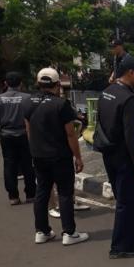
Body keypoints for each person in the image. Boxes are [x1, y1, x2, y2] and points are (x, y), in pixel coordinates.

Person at [22, 68, 88, 245]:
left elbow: (28, 129)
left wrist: (34, 149)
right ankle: (69, 232)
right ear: (58, 84)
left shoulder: (28, 103)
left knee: (42, 192)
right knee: (65, 193)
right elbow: (70, 134)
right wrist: (78, 157)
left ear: (38, 83)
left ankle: (42, 231)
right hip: (59, 156)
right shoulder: (61, 104)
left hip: (38, 156)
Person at [96, 55, 134, 259]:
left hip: (108, 152)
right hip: (123, 156)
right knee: (126, 201)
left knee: (131, 199)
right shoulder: (128, 99)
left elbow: (99, 121)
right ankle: (119, 247)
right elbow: (131, 135)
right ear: (131, 73)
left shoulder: (106, 93)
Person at [0, 71, 36, 205]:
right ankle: (31, 194)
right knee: (28, 165)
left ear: (6, 83)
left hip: (6, 135)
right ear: (21, 83)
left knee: (9, 165)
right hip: (24, 135)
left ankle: (13, 196)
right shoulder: (28, 98)